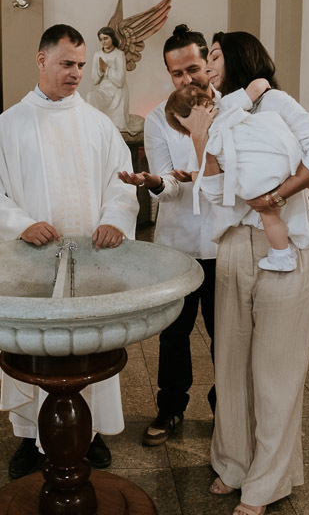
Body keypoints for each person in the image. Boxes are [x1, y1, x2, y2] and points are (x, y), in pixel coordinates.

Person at [177, 31, 309, 515]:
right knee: (230, 366)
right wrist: (201, 139)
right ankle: (233, 463)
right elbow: (213, 195)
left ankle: (266, 483)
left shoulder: (277, 104)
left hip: (285, 247)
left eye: (214, 55)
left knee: (275, 372)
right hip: (234, 246)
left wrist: (276, 196)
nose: (207, 64)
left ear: (238, 59)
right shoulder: (217, 114)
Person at [0, 24, 139, 479]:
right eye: (67, 63)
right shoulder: (9, 126)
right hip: (32, 266)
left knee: (89, 343)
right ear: (41, 60)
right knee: (36, 346)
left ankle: (92, 431)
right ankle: (31, 435)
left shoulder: (98, 124)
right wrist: (21, 225)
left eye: (81, 65)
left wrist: (115, 219)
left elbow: (121, 183)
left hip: (90, 264)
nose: (76, 74)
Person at [116, 25, 217, 447]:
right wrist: (156, 182)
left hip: (223, 240)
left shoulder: (232, 109)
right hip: (177, 244)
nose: (187, 79)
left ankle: (226, 410)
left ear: (208, 63)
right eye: (177, 73)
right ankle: (171, 407)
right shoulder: (159, 117)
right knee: (174, 333)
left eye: (193, 68)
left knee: (226, 334)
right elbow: (170, 183)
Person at [165, 82, 309, 271]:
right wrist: (262, 82)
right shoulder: (227, 105)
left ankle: (282, 256)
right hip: (282, 155)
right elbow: (258, 86)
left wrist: (197, 144)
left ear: (182, 125)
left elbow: (211, 181)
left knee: (269, 214)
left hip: (256, 178)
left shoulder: (204, 140)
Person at [85, 26, 129, 133]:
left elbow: (120, 81)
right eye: (101, 39)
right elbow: (94, 80)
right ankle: (95, 127)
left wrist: (107, 69)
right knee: (90, 96)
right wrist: (100, 71)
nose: (103, 42)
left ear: (112, 38)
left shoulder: (119, 54)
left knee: (117, 127)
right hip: (103, 91)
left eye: (106, 38)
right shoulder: (97, 55)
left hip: (117, 93)